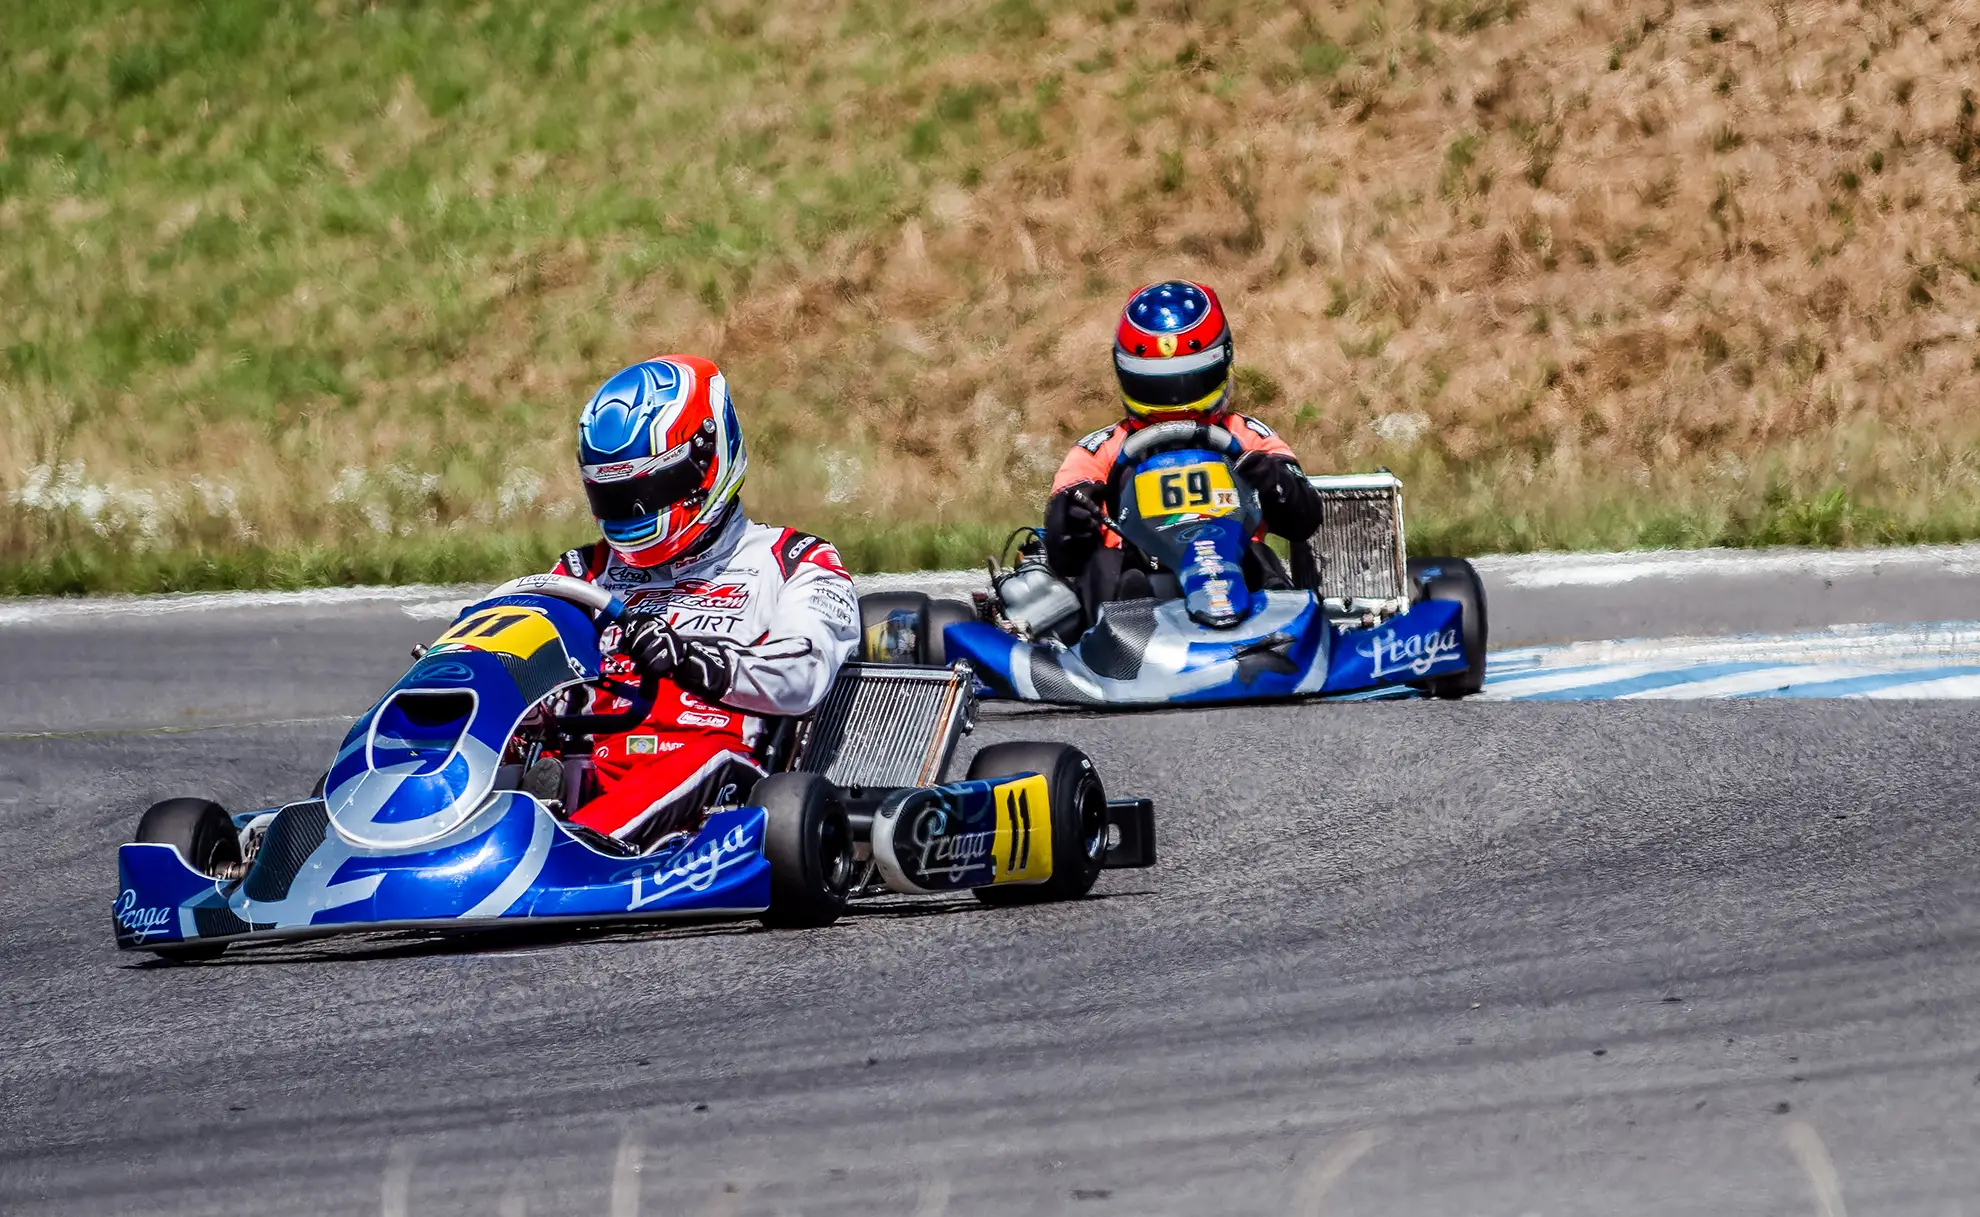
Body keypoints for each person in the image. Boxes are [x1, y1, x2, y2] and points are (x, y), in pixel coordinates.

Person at [546, 354, 859, 849]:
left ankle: (577, 851)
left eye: (649, 488)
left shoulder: (793, 560)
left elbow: (803, 674)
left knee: (704, 758)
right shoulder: (583, 572)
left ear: (705, 460)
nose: (635, 510)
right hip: (585, 761)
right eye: (615, 497)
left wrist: (690, 658)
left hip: (717, 768)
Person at [1043, 280, 1324, 620]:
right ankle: (1123, 635)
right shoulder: (1099, 450)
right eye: (1155, 385)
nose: (1175, 400)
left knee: (1259, 556)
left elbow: (1304, 521)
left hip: (1233, 573)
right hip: (1136, 590)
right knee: (1104, 564)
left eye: (1190, 381)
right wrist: (1072, 518)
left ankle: (1278, 632)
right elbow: (1063, 549)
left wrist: (1273, 481)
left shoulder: (1248, 437)